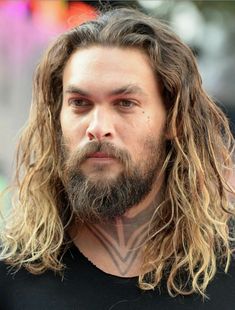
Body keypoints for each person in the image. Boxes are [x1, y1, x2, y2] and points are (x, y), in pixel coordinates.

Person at [0, 7, 235, 310]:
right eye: (80, 103)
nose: (98, 128)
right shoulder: (11, 278)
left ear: (174, 119)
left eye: (125, 103)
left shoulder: (226, 271)